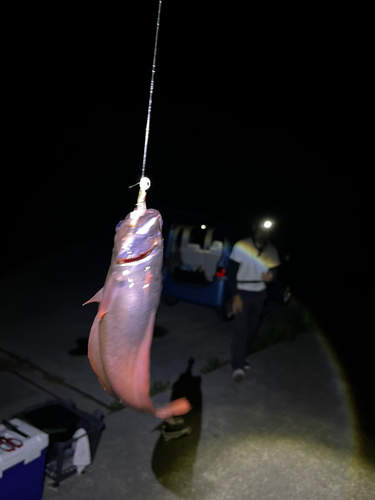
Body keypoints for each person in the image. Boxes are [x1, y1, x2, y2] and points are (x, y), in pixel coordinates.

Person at [227, 217, 280, 382]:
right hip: (242, 292)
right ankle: (238, 366)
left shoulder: (272, 250)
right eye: (260, 228)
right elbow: (231, 273)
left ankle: (241, 356)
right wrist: (235, 295)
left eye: (267, 230)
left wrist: (271, 278)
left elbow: (275, 271)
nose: (263, 232)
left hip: (259, 293)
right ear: (254, 227)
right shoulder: (241, 245)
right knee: (240, 330)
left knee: (252, 329)